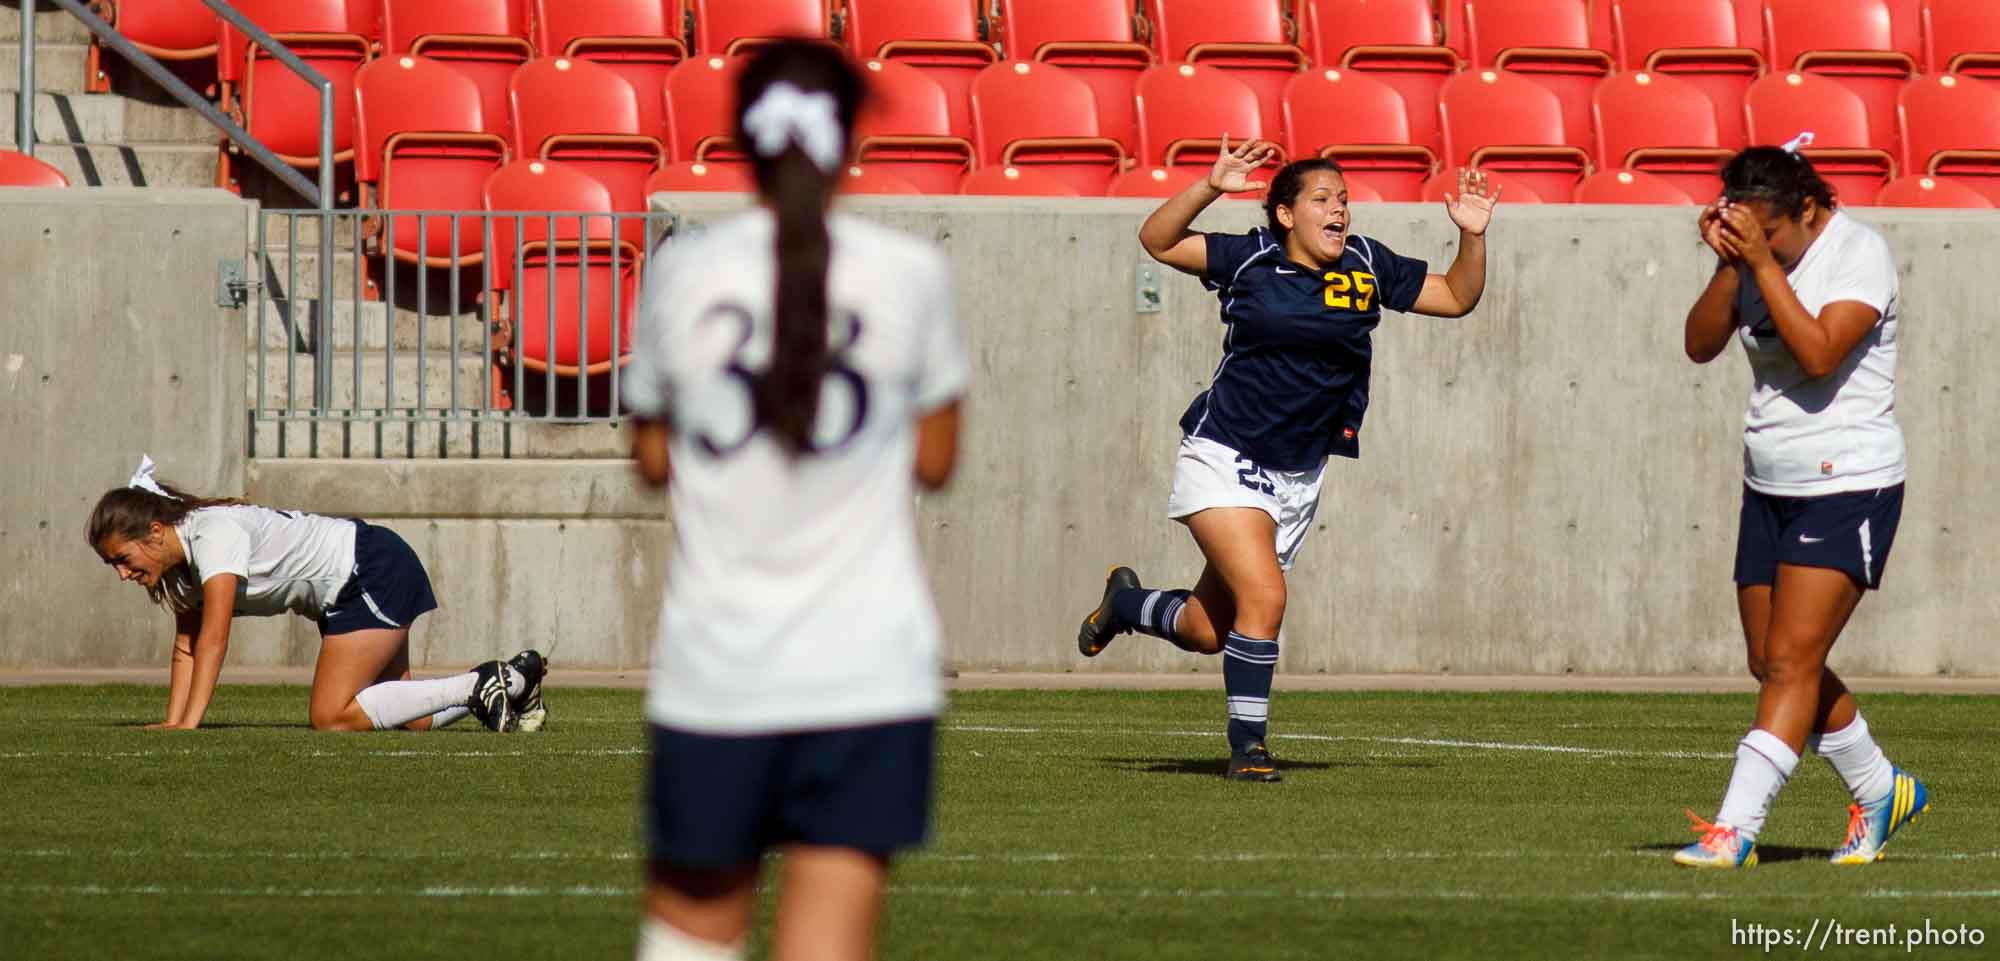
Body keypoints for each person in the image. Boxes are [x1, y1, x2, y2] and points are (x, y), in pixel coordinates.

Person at [623, 41, 966, 961]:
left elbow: (651, 457)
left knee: (691, 934)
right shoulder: (909, 273)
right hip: (869, 672)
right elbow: (938, 458)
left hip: (717, 666)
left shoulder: (682, 275)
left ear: (740, 137)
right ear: (852, 140)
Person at [1076, 142, 1498, 781]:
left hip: (1299, 473)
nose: (1340, 211)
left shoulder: (1366, 264)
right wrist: (1211, 186)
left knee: (1205, 630)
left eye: (1345, 200)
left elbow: (1457, 297)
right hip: (1224, 451)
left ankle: (1127, 605)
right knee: (1267, 598)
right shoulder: (1249, 258)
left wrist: (1471, 237)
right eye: (1323, 199)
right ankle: (1248, 749)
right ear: (1284, 214)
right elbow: (1158, 241)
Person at [1674, 143, 1926, 868]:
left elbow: (1818, 353)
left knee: (1791, 661)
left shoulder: (1858, 255)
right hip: (1770, 480)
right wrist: (1731, 263)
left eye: (1771, 233)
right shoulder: (1750, 260)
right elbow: (1698, 345)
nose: (1763, 245)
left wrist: (1757, 263)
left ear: (1809, 210)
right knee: (1773, 660)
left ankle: (1733, 829)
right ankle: (1883, 789)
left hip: (1848, 482)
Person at [87, 456, 548, 733]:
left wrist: (190, 725)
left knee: (330, 715)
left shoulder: (211, 534)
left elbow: (212, 640)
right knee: (414, 721)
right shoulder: (178, 568)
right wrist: (174, 723)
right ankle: (513, 681)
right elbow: (186, 648)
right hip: (357, 580)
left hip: (370, 569)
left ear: (154, 530)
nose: (123, 574)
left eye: (123, 559)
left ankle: (479, 683)